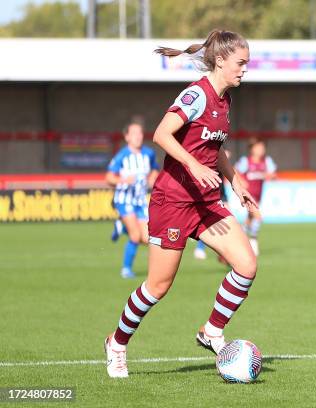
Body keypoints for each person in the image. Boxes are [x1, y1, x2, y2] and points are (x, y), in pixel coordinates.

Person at [104, 29, 258, 378]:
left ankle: (212, 331)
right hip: (172, 201)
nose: (245, 69)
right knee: (158, 286)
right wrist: (192, 164)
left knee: (246, 265)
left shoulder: (225, 99)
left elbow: (216, 150)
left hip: (205, 203)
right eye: (241, 62)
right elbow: (161, 133)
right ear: (220, 60)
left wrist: (237, 183)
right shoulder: (196, 95)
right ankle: (117, 343)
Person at [106, 119, 159, 279]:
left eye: (140, 133)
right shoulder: (122, 156)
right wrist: (122, 180)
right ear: (127, 137)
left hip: (140, 201)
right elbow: (109, 177)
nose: (138, 136)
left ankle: (122, 228)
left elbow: (155, 169)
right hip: (125, 200)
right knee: (135, 236)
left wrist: (152, 178)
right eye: (134, 133)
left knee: (147, 238)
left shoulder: (148, 153)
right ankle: (126, 269)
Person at [235, 138, 277, 256]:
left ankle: (238, 242)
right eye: (259, 147)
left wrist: (267, 175)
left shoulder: (266, 161)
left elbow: (273, 175)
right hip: (248, 195)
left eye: (263, 147)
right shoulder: (246, 161)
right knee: (258, 217)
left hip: (258, 196)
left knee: (249, 220)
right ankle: (253, 242)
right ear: (252, 149)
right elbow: (234, 170)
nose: (261, 150)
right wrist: (241, 181)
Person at [193, 149, 233, 261]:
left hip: (221, 191)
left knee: (228, 220)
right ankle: (201, 248)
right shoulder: (202, 150)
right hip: (209, 192)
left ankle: (225, 254)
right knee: (210, 222)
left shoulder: (219, 143)